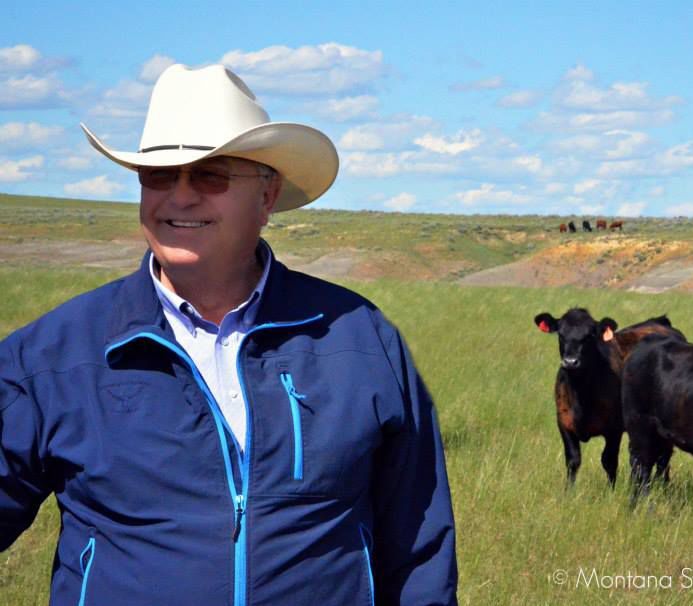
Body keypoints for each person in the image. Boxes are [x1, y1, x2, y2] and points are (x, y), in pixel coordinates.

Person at [0, 64, 457, 605]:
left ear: (268, 197)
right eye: (159, 175)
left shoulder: (358, 340)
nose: (181, 196)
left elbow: (420, 550)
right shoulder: (55, 355)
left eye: (211, 174)